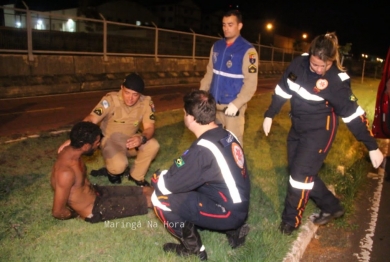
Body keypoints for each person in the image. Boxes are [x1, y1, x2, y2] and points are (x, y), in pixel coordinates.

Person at [262, 32, 384, 235]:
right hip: (298, 127)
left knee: (300, 176)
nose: (319, 70)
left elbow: (353, 116)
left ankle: (290, 221)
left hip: (320, 131)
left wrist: (372, 146)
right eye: (316, 64)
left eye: (324, 66)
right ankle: (332, 206)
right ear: (309, 54)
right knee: (299, 172)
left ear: (332, 61)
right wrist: (270, 114)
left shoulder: (336, 81)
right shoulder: (298, 65)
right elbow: (283, 89)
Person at [151, 90, 250, 260]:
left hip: (229, 213)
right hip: (238, 204)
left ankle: (194, 250)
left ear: (191, 117)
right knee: (196, 183)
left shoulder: (203, 150)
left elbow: (167, 184)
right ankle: (234, 231)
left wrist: (157, 177)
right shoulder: (227, 134)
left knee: (159, 199)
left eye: (184, 112)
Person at [58, 73, 160, 186]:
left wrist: (141, 138)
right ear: (121, 88)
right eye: (127, 93)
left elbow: (149, 127)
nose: (130, 98)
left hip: (131, 141)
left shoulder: (146, 102)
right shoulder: (110, 100)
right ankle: (112, 173)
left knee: (153, 145)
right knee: (119, 166)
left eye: (135, 95)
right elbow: (92, 119)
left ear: (140, 94)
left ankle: (136, 176)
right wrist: (76, 138)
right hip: (110, 141)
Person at [51, 121, 153, 222]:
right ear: (86, 146)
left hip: (97, 191)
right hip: (95, 209)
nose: (98, 145)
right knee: (149, 200)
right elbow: (57, 211)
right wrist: (74, 213)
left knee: (146, 190)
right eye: (97, 143)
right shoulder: (65, 173)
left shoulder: (72, 148)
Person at [200, 9, 258, 146]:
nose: (226, 28)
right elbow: (209, 73)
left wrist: (236, 104)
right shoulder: (216, 46)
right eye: (224, 24)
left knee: (233, 145)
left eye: (230, 24)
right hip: (213, 105)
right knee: (212, 142)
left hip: (232, 108)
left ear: (240, 26)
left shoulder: (248, 51)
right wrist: (201, 95)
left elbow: (250, 84)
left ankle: (237, 168)